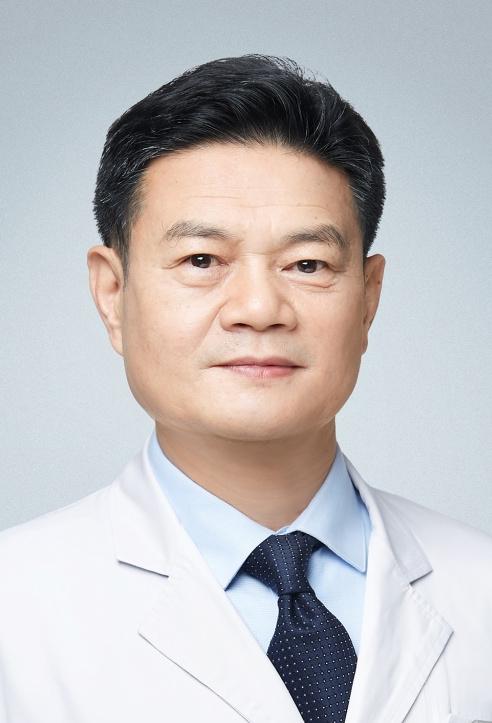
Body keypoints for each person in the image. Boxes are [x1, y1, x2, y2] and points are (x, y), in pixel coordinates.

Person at [0, 54, 490, 723]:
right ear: (113, 294)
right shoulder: (16, 608)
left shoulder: (481, 588)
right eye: (202, 259)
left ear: (368, 298)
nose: (259, 308)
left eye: (307, 264)